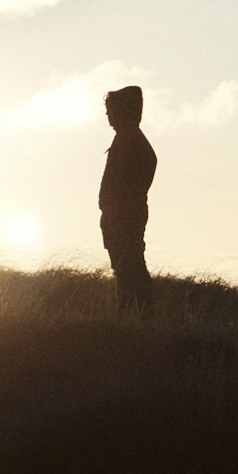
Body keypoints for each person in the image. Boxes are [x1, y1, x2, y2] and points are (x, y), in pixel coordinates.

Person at [99, 84, 156, 315]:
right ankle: (131, 314)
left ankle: (134, 314)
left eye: (111, 109)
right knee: (125, 266)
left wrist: (114, 210)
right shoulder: (128, 140)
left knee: (129, 266)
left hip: (124, 216)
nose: (107, 115)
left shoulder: (130, 141)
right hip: (120, 215)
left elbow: (125, 185)